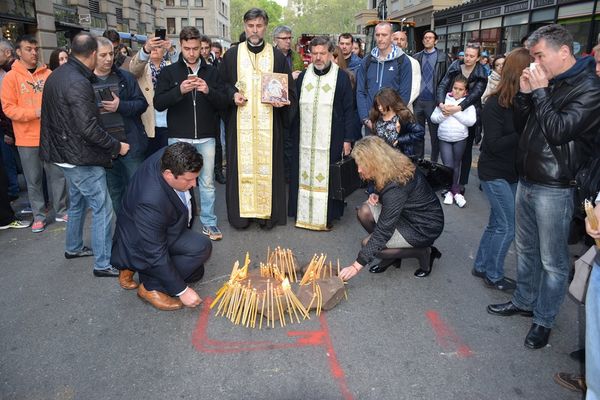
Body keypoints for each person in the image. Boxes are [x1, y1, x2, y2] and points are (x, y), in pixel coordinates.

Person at [487, 24, 600, 350]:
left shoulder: (590, 88)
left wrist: (539, 92)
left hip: (557, 186)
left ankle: (543, 320)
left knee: (553, 261)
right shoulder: (547, 83)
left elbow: (559, 130)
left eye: (539, 55)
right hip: (528, 179)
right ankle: (523, 300)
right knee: (525, 250)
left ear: (563, 52)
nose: (533, 63)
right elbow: (526, 128)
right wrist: (525, 94)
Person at [40, 32, 130, 277]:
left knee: (78, 202)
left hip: (63, 153)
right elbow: (88, 128)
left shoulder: (57, 74)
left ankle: (73, 247)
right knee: (103, 207)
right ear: (91, 54)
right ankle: (103, 263)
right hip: (79, 156)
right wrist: (116, 146)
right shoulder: (78, 81)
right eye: (100, 54)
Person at [218, 8, 295, 230]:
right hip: (240, 125)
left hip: (268, 127)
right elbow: (220, 85)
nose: (254, 30)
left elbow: (290, 91)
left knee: (267, 168)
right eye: (250, 26)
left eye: (259, 26)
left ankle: (265, 216)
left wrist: (283, 102)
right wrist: (231, 95)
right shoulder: (232, 55)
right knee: (240, 167)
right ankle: (241, 217)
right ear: (244, 26)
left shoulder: (277, 56)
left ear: (265, 27)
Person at [111, 142, 211, 311]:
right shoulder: (150, 201)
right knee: (201, 248)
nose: (194, 184)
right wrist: (182, 291)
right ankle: (151, 287)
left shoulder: (171, 155)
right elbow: (155, 251)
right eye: (189, 179)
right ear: (168, 175)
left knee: (196, 272)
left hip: (156, 226)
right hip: (143, 240)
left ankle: (132, 267)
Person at [154, 26, 228, 241]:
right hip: (178, 136)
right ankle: (178, 225)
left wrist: (208, 90)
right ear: (180, 47)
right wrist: (179, 91)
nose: (192, 53)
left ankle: (209, 222)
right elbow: (158, 103)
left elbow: (224, 102)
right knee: (178, 183)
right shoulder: (169, 72)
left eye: (196, 48)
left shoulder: (212, 72)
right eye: (187, 48)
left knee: (206, 183)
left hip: (206, 136)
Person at [338, 136, 443, 281]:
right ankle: (393, 255)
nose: (359, 170)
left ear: (375, 162)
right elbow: (390, 191)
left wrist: (356, 266)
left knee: (369, 244)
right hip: (407, 215)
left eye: (362, 164)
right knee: (364, 211)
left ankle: (423, 252)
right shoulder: (390, 166)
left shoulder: (397, 185)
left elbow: (383, 231)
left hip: (423, 227)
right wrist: (378, 195)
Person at [472, 48, 530, 292]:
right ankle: (493, 275)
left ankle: (482, 265)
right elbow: (493, 145)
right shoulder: (495, 104)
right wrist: (523, 133)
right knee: (506, 227)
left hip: (512, 173)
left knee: (497, 223)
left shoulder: (521, 101)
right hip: (494, 172)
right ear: (520, 72)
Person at [1, 34, 68, 233]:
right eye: (29, 49)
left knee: (57, 175)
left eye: (35, 49)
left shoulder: (48, 74)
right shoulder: (11, 78)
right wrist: (34, 113)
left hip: (51, 135)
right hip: (26, 137)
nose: (34, 53)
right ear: (18, 52)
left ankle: (61, 210)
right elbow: (8, 109)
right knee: (34, 179)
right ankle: (39, 215)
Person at [288, 36, 355, 231]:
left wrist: (348, 139)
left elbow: (349, 110)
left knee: (329, 176)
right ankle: (302, 213)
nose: (318, 57)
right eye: (314, 53)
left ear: (330, 54)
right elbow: (295, 107)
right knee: (302, 173)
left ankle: (327, 216)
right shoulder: (303, 77)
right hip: (304, 139)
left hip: (332, 139)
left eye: (322, 53)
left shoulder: (341, 77)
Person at [93, 37, 148, 213]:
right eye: (103, 55)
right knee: (115, 193)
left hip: (130, 144)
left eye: (111, 53)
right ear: (93, 55)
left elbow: (142, 104)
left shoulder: (125, 77)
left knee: (137, 191)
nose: (108, 58)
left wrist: (121, 106)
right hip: (104, 148)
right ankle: (123, 230)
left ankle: (139, 230)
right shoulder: (85, 81)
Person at [436, 43, 487, 193]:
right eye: (466, 55)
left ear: (478, 58)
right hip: (449, 108)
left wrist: (459, 108)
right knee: (448, 152)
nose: (468, 58)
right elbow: (442, 85)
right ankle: (448, 182)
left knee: (465, 152)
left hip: (469, 111)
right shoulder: (455, 66)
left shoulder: (481, 72)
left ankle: (461, 183)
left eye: (472, 56)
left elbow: (475, 95)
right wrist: (440, 103)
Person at [356, 22, 415, 133]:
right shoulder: (367, 61)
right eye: (378, 35)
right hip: (371, 122)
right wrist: (365, 119)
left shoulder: (402, 61)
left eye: (384, 35)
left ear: (392, 37)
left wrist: (392, 119)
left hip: (392, 124)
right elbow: (360, 92)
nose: (380, 38)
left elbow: (404, 94)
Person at [431, 75, 477, 208]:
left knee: (457, 165)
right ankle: (453, 190)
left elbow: (471, 121)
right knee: (448, 166)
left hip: (460, 138)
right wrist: (443, 114)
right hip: (444, 138)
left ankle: (453, 191)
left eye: (460, 89)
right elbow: (434, 118)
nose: (457, 91)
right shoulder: (443, 100)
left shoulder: (467, 103)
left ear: (465, 91)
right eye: (455, 88)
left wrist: (454, 111)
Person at [128, 35, 172, 157]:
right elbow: (133, 69)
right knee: (149, 161)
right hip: (148, 123)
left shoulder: (171, 66)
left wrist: (172, 50)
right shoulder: (143, 67)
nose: (155, 49)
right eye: (152, 45)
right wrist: (146, 48)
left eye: (159, 46)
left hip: (169, 123)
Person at [413, 30, 451, 161]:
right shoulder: (416, 57)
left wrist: (443, 100)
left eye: (430, 38)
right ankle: (420, 161)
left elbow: (448, 80)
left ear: (436, 41)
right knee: (418, 133)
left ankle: (434, 162)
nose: (427, 40)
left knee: (435, 135)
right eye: (425, 38)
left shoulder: (443, 57)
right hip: (418, 101)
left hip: (433, 102)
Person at [369, 87, 424, 157]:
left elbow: (420, 132)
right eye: (378, 105)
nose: (380, 108)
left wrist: (400, 140)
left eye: (382, 105)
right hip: (382, 158)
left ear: (390, 102)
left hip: (400, 158)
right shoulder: (377, 117)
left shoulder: (403, 116)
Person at [0, 38, 20, 202]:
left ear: (7, 53)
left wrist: (8, 132)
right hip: (11, 127)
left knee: (13, 162)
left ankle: (13, 189)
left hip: (15, 127)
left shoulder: (12, 73)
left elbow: (7, 107)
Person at [391, 30, 421, 111]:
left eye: (402, 39)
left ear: (406, 44)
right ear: (390, 41)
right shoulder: (383, 60)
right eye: (396, 39)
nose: (399, 42)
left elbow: (415, 89)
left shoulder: (413, 62)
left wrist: (398, 107)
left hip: (403, 109)